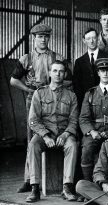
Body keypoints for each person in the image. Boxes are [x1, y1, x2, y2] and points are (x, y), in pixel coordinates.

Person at [10, 24, 66, 193]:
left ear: (49, 38)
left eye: (46, 36)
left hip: (54, 99)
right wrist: (29, 89)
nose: (43, 39)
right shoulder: (26, 58)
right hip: (33, 100)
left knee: (55, 134)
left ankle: (58, 180)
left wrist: (53, 86)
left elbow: (69, 80)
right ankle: (29, 180)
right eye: (40, 37)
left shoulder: (57, 57)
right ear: (34, 38)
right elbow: (13, 80)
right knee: (32, 139)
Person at [25, 60, 78, 202]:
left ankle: (67, 187)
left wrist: (66, 134)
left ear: (65, 74)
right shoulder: (39, 93)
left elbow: (74, 120)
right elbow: (33, 120)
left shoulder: (71, 96)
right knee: (33, 145)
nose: (58, 74)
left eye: (61, 71)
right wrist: (46, 136)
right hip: (44, 133)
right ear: (49, 73)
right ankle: (34, 189)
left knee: (72, 145)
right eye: (54, 71)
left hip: (64, 134)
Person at [73, 28, 108, 107]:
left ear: (98, 39)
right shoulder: (79, 62)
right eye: (88, 38)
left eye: (94, 38)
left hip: (105, 101)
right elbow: (76, 86)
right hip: (86, 103)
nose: (91, 41)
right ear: (84, 41)